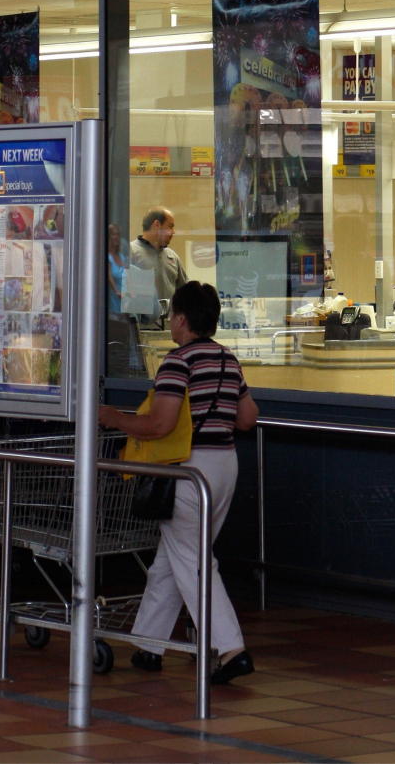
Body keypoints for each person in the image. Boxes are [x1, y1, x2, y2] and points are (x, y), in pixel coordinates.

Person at [98, 279, 259, 684]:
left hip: (188, 469)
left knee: (193, 560)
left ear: (182, 319)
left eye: (172, 315)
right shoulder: (227, 359)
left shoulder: (177, 362)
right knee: (174, 559)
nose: (170, 322)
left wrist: (114, 418)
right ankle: (148, 645)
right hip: (224, 466)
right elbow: (246, 419)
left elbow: (160, 423)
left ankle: (231, 648)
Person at [130, 207, 188, 309]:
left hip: (171, 324)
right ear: (157, 224)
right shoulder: (130, 252)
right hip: (143, 324)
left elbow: (186, 293)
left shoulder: (173, 256)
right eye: (170, 227)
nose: (173, 232)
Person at [107, 222, 129, 316]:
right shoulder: (107, 257)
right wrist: (116, 291)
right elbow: (109, 276)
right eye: (113, 234)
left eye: (118, 234)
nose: (116, 237)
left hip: (125, 307)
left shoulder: (122, 256)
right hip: (113, 308)